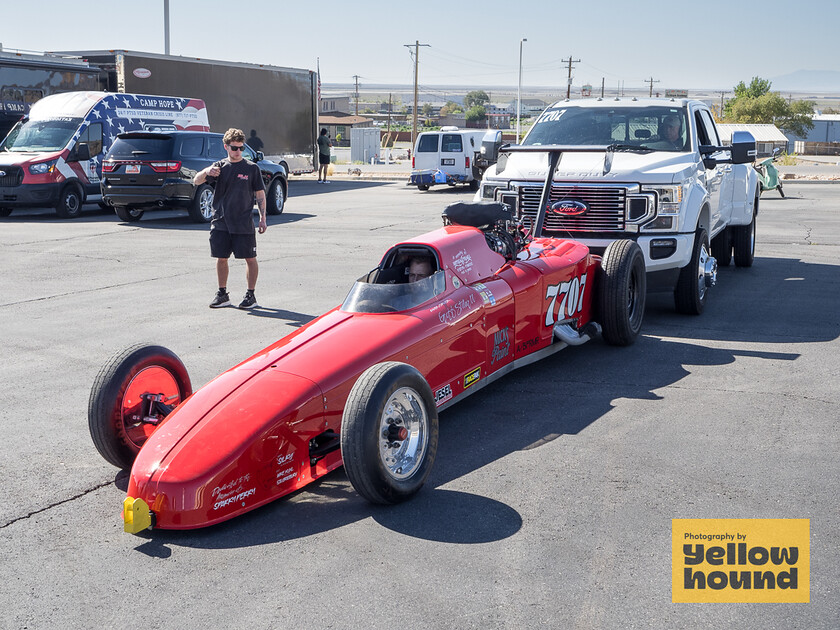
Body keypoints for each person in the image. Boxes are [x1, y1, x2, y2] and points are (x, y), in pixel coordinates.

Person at [194, 128, 267, 310]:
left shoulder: (252, 168)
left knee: (250, 258)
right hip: (220, 221)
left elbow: (260, 194)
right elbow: (196, 180)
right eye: (234, 148)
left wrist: (263, 218)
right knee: (221, 258)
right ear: (226, 146)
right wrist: (207, 171)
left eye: (241, 148)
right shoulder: (219, 168)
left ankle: (251, 295)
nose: (238, 152)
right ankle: (222, 294)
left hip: (243, 222)